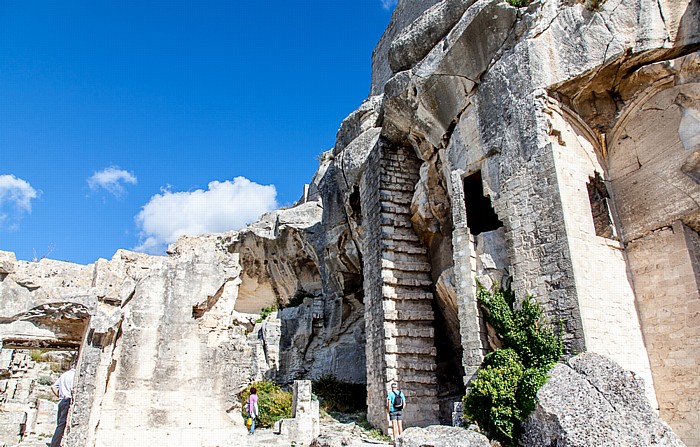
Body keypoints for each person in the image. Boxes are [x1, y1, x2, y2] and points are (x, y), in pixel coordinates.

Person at [50, 366, 75, 447]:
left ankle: (57, 443)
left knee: (60, 424)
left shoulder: (64, 375)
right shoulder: (74, 375)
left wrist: (59, 396)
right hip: (68, 400)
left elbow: (53, 387)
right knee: (62, 424)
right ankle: (54, 444)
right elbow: (73, 389)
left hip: (61, 400)